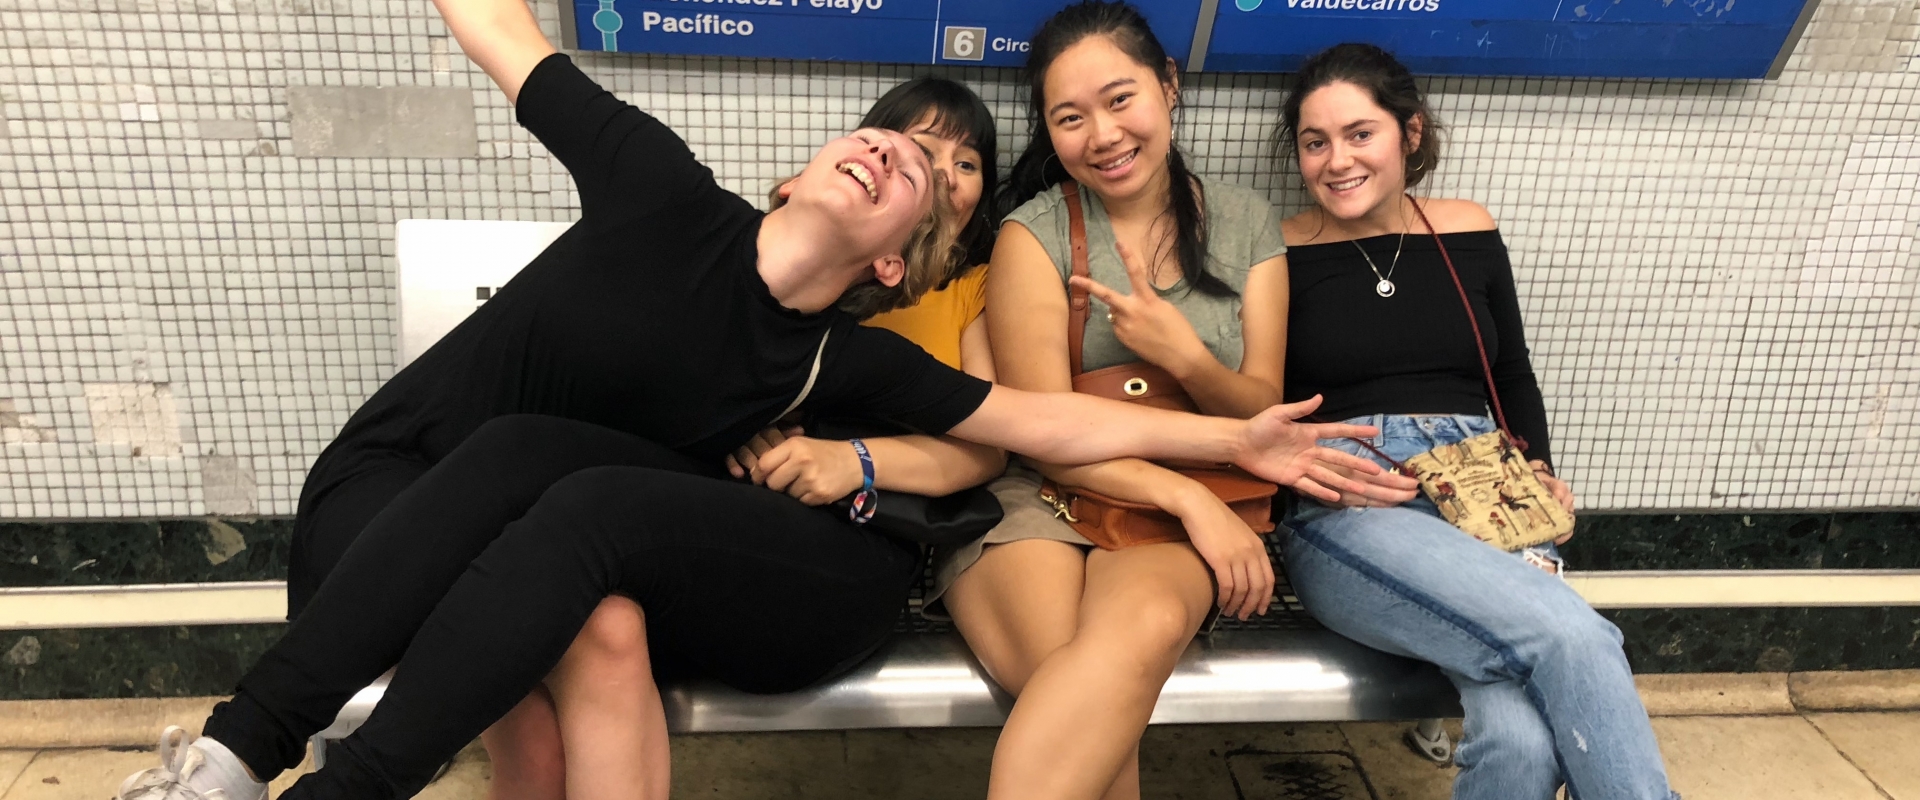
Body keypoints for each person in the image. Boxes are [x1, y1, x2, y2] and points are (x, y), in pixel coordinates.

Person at [114, 0, 1410, 796]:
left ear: (904, 248)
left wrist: (1228, 436)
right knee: (557, 519)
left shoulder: (855, 355)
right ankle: (236, 764)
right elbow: (503, 34)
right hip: (492, 505)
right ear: (794, 173)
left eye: (947, 170)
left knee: (573, 525)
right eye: (895, 141)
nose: (913, 164)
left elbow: (1030, 425)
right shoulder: (677, 202)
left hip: (797, 568)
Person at [479, 75, 1010, 800]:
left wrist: (852, 461)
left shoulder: (971, 288)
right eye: (921, 148)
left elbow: (987, 449)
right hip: (714, 522)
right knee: (588, 619)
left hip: (839, 549)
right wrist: (742, 429)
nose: (945, 172)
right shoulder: (801, 256)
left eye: (968, 162)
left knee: (558, 582)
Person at [935, 4, 1415, 799]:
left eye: (1121, 99)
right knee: (1083, 688)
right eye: (1070, 117)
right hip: (1040, 491)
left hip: (1180, 502)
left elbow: (1258, 401)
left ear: (1168, 88)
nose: (1103, 134)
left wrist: (1183, 355)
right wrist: (1191, 497)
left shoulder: (1245, 222)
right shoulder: (1033, 234)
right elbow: (1044, 433)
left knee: (1129, 649)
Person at [1274, 42, 1679, 800]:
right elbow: (1255, 398)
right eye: (1314, 140)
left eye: (1361, 133)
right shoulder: (1279, 252)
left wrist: (1543, 471)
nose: (1336, 160)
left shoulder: (1465, 228)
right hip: (1359, 498)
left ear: (1411, 133)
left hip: (1487, 490)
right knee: (1572, 635)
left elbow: (1513, 368)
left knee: (1523, 741)